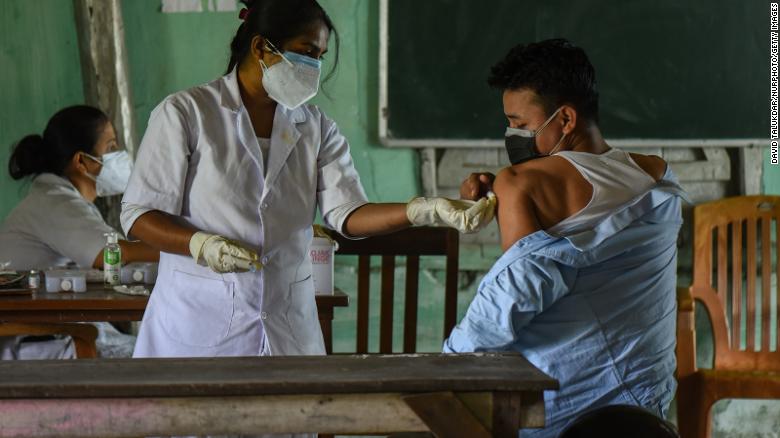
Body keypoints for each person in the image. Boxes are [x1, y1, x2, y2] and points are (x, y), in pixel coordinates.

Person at [121, 0, 494, 362]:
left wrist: (423, 209)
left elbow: (347, 213)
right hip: (199, 325)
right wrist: (199, 244)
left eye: (320, 56)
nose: (313, 66)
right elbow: (139, 215)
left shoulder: (314, 126)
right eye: (306, 51)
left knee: (288, 421)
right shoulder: (187, 113)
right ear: (261, 48)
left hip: (287, 327)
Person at [446, 39, 688, 437]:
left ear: (566, 119)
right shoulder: (657, 174)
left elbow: (514, 299)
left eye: (520, 124)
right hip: (644, 407)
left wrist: (446, 364)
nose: (511, 134)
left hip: (561, 407)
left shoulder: (520, 184)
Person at [0, 105, 159, 359]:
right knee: (161, 358)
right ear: (82, 162)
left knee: (156, 352)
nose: (119, 156)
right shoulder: (55, 203)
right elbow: (112, 253)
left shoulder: (62, 199)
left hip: (60, 332)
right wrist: (188, 246)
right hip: (38, 341)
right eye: (110, 147)